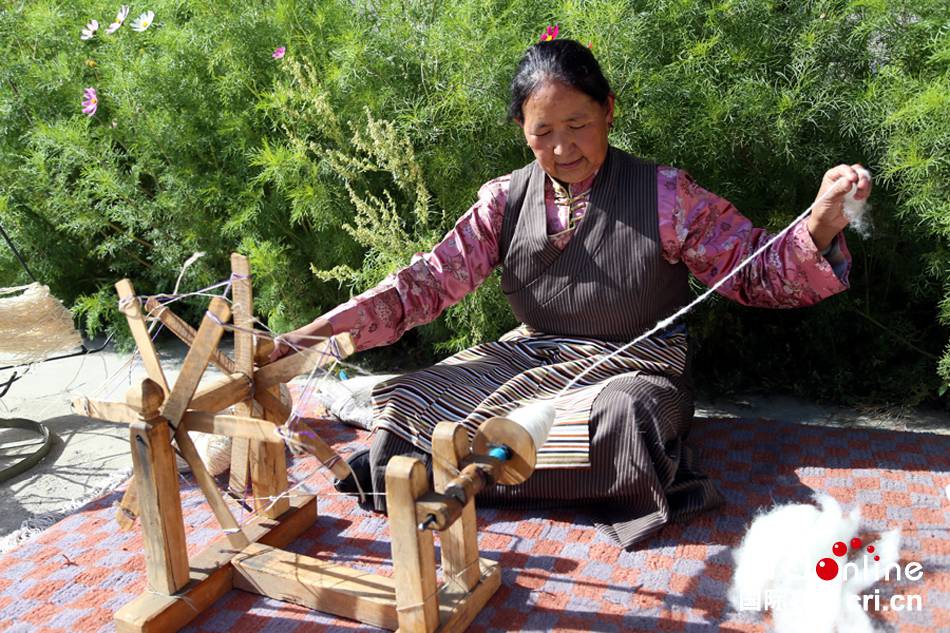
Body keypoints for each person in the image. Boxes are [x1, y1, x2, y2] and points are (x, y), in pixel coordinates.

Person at [270, 39, 871, 548]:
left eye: (578, 124)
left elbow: (752, 270)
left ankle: (471, 472)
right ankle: (487, 466)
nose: (563, 148)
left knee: (622, 424)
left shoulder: (666, 196)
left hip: (639, 366)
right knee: (409, 405)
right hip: (531, 357)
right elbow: (423, 284)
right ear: (521, 132)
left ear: (608, 110)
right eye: (543, 133)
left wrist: (820, 221)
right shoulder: (503, 201)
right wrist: (316, 337)